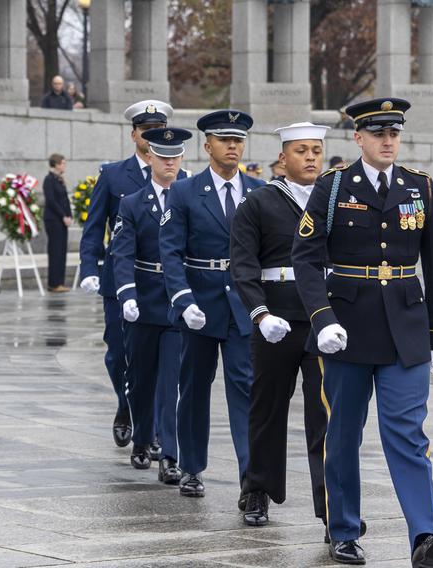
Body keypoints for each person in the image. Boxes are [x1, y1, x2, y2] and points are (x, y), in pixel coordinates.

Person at [291, 98, 433, 567]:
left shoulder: (419, 187)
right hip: (347, 328)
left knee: (408, 433)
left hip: (406, 329)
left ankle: (425, 535)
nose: (388, 141)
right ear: (358, 138)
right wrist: (322, 319)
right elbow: (305, 257)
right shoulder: (334, 186)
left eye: (394, 133)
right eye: (378, 133)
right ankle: (343, 529)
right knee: (342, 432)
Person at [230, 122, 334, 532]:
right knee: (267, 408)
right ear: (282, 158)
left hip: (321, 321)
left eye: (316, 151)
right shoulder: (258, 202)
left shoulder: (334, 201)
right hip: (276, 320)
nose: (311, 158)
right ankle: (257, 488)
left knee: (323, 415)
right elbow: (243, 264)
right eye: (302, 151)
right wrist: (259, 312)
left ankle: (331, 505)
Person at [159, 110, 264, 499]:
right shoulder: (185, 191)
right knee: (194, 387)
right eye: (225, 140)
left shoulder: (259, 190)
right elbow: (170, 251)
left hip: (243, 305)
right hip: (199, 303)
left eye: (238, 140)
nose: (233, 146)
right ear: (208, 146)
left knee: (246, 390)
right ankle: (191, 466)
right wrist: (183, 299)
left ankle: (252, 481)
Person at [79, 99, 173, 448]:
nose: (152, 137)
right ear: (134, 134)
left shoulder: (177, 172)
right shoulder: (114, 174)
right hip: (119, 280)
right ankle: (126, 405)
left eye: (158, 131)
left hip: (162, 282)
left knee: (162, 358)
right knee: (118, 353)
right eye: (146, 131)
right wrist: (89, 267)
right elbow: (94, 228)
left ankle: (157, 425)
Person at [111, 127, 192, 484]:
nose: (170, 162)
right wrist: (127, 294)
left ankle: (170, 454)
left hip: (177, 301)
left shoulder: (190, 199)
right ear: (151, 159)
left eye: (175, 157)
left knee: (171, 383)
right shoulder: (132, 202)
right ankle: (142, 438)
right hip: (144, 299)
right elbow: (122, 252)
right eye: (163, 156)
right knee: (140, 380)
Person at [43, 154, 72, 292]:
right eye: (63, 163)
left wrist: (69, 215)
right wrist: (63, 216)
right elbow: (51, 201)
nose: (64, 166)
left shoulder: (59, 179)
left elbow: (65, 200)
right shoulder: (49, 180)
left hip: (62, 220)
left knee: (61, 251)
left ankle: (59, 282)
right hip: (53, 220)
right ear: (56, 164)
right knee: (55, 251)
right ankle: (53, 283)